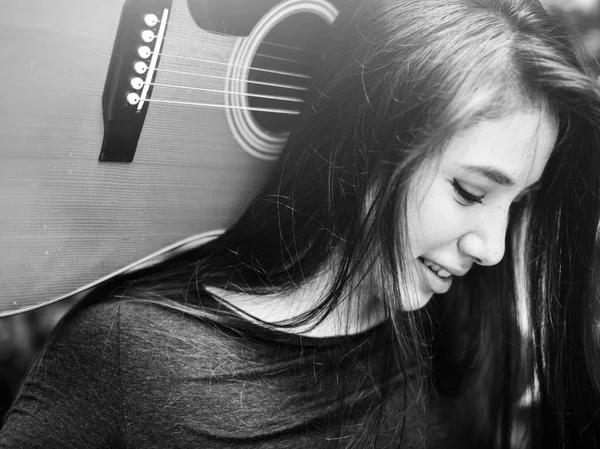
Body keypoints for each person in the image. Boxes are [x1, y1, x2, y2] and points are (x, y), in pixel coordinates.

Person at [2, 0, 600, 447]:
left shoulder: (459, 340)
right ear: (364, 143)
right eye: (471, 192)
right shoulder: (132, 358)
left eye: (517, 203)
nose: (493, 248)